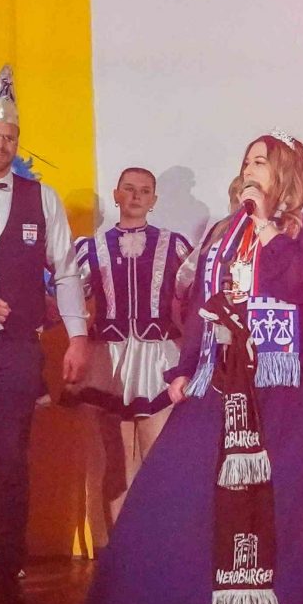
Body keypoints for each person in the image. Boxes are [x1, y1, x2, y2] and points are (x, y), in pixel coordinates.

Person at [89, 122, 303, 604]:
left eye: (259, 161)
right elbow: (207, 301)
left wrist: (267, 230)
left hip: (301, 387)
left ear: (283, 170)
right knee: (203, 483)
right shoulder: (228, 230)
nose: (248, 170)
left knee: (292, 499)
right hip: (235, 378)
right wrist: (185, 365)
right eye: (246, 162)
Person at [0, 66, 87, 604]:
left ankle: (9, 561)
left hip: (15, 347)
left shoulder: (41, 198)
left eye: (8, 136)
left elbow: (67, 270)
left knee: (11, 455)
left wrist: (77, 337)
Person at [73, 167, 197, 541]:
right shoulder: (91, 247)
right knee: (115, 462)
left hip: (158, 359)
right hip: (109, 361)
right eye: (129, 189)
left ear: (154, 200)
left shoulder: (174, 245)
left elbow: (195, 297)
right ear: (116, 194)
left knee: (155, 461)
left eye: (144, 191)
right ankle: (117, 550)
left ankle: (154, 547)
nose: (136, 196)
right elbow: (69, 298)